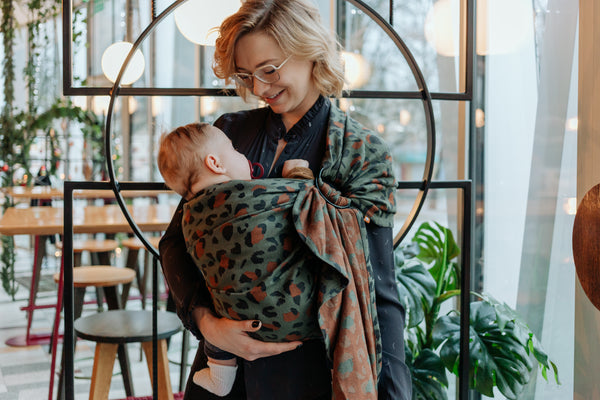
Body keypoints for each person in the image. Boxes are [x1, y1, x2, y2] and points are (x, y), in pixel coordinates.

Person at [158, 0, 412, 399]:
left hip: (310, 373)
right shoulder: (227, 134)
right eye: (246, 75)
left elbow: (377, 288)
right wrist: (208, 324)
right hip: (225, 371)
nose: (259, 89)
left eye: (269, 69)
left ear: (311, 51)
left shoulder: (359, 152)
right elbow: (176, 241)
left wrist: (395, 392)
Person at [157, 122, 324, 397]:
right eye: (234, 150)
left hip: (240, 326)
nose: (257, 87)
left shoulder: (191, 214)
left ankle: (220, 370)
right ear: (215, 163)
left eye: (269, 74)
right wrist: (297, 174)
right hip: (292, 315)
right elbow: (299, 200)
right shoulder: (232, 143)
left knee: (225, 297)